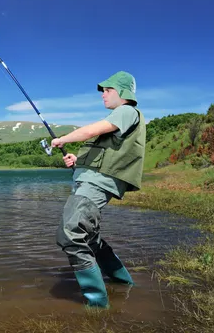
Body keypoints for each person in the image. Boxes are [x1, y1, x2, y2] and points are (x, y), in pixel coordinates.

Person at [50, 71, 146, 308]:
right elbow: (104, 151)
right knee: (90, 238)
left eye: (108, 90)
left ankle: (97, 306)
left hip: (97, 184)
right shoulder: (121, 116)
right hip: (91, 180)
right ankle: (122, 283)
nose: (103, 94)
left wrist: (63, 139)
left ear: (123, 93)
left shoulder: (127, 111)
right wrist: (78, 159)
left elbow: (93, 130)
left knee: (71, 234)